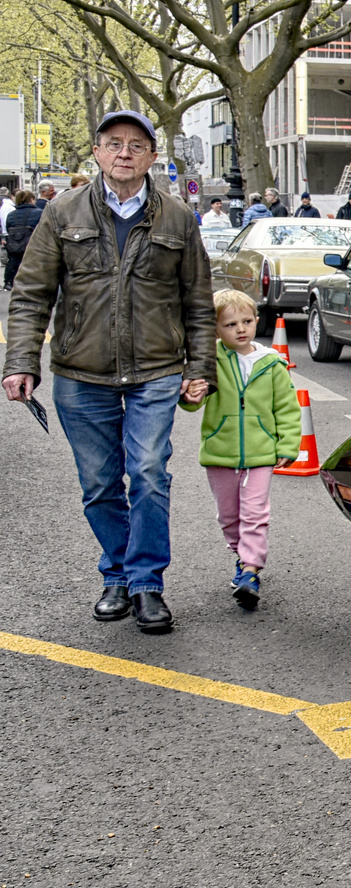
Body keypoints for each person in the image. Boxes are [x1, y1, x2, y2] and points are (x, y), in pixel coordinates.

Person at [4, 110, 215, 634]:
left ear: (151, 156)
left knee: (147, 473)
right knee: (99, 484)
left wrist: (201, 366)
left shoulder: (178, 218)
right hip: (80, 371)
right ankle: (116, 574)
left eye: (136, 145)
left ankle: (146, 584)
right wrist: (20, 362)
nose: (124, 153)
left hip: (156, 370)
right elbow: (31, 294)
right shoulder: (61, 212)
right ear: (96, 152)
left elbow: (198, 302)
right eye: (114, 143)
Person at [182, 290, 298, 610]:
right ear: (216, 329)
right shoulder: (209, 362)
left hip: (262, 453)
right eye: (230, 324)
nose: (240, 329)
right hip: (220, 452)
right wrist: (190, 394)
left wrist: (288, 444)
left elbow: (287, 408)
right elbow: (194, 403)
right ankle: (241, 555)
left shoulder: (272, 364)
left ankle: (250, 570)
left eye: (246, 321)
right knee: (229, 516)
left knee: (256, 512)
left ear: (257, 321)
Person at [5, 189, 39, 289]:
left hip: (15, 245)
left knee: (13, 262)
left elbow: (8, 227)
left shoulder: (11, 215)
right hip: (32, 245)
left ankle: (9, 282)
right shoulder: (39, 212)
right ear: (31, 199)